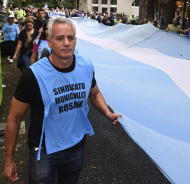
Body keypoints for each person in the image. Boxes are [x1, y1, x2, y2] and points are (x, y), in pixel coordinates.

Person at [3, 17, 121, 183]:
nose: (66, 43)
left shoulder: (86, 66)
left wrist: (107, 113)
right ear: (49, 42)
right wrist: (9, 159)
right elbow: (14, 118)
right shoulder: (33, 75)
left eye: (70, 38)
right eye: (60, 38)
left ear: (76, 41)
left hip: (76, 146)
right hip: (44, 150)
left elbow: (94, 94)